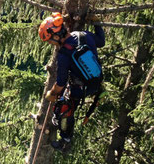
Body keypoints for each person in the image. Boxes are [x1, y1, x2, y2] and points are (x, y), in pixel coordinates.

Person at [38, 12, 105, 152]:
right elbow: (101, 41)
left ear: (56, 36)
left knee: (62, 109)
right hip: (97, 81)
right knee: (68, 96)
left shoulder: (63, 54)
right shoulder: (83, 35)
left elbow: (61, 83)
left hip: (81, 89)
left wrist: (52, 93)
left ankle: (65, 140)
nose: (51, 44)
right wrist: (97, 23)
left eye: (50, 41)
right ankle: (65, 138)